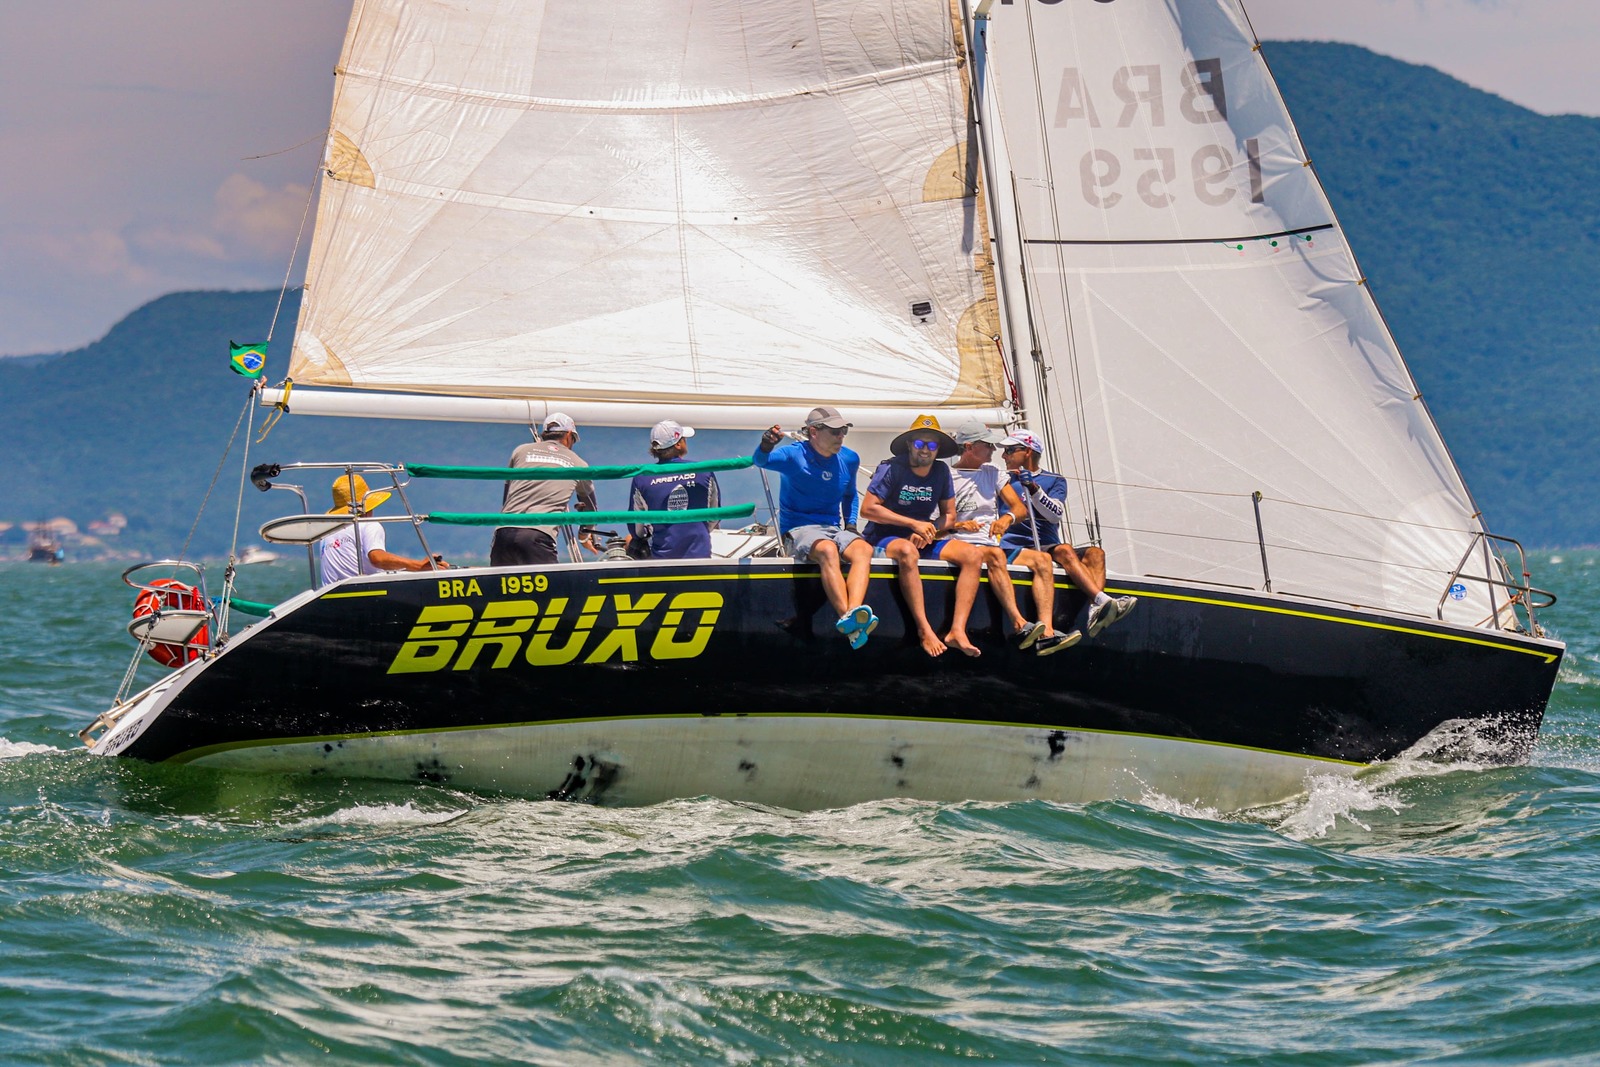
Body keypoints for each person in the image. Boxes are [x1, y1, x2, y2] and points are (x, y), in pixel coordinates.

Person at [860, 416, 1039, 659]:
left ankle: (957, 631)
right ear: (910, 444)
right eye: (920, 444)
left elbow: (949, 516)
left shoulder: (941, 470)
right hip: (884, 537)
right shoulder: (891, 468)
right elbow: (868, 509)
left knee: (973, 554)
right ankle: (924, 630)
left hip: (923, 536)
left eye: (932, 446)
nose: (926, 450)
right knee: (907, 551)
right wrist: (915, 525)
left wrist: (930, 529)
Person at [946, 420, 1080, 656]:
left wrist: (1007, 519)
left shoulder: (994, 472)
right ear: (969, 447)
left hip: (990, 544)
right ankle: (1019, 623)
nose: (994, 451)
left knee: (1042, 560)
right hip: (961, 543)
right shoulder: (946, 475)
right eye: (988, 445)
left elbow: (1019, 509)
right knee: (994, 554)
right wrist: (957, 525)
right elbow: (936, 518)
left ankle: (1046, 632)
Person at [752, 405, 878, 650]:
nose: (841, 436)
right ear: (813, 432)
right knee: (829, 550)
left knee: (864, 550)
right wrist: (767, 443)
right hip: (798, 530)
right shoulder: (793, 455)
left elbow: (850, 494)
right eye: (835, 431)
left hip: (832, 528)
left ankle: (853, 615)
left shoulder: (849, 458)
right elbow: (760, 460)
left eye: (843, 431)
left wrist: (851, 525)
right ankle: (850, 621)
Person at [999, 429, 1137, 636]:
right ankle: (1102, 599)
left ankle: (1095, 608)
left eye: (1009, 450)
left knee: (1096, 553)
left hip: (1046, 543)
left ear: (1027, 452)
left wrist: (1034, 489)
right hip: (1015, 545)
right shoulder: (1002, 479)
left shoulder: (1054, 480)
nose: (1004, 456)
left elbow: (1055, 514)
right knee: (1063, 550)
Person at [491, 413, 599, 566]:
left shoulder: (520, 451)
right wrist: (585, 534)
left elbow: (507, 497)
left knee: (503, 589)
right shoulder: (578, 463)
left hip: (504, 533)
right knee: (551, 589)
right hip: (537, 534)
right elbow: (591, 510)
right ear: (568, 436)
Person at [317, 473, 446, 586]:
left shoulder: (327, 533)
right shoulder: (368, 525)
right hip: (364, 600)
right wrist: (419, 566)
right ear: (369, 505)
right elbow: (377, 558)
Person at [626, 419, 720, 560]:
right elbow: (715, 516)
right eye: (683, 439)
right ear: (678, 444)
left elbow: (636, 529)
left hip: (662, 559)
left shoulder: (642, 477)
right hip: (700, 556)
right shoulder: (703, 471)